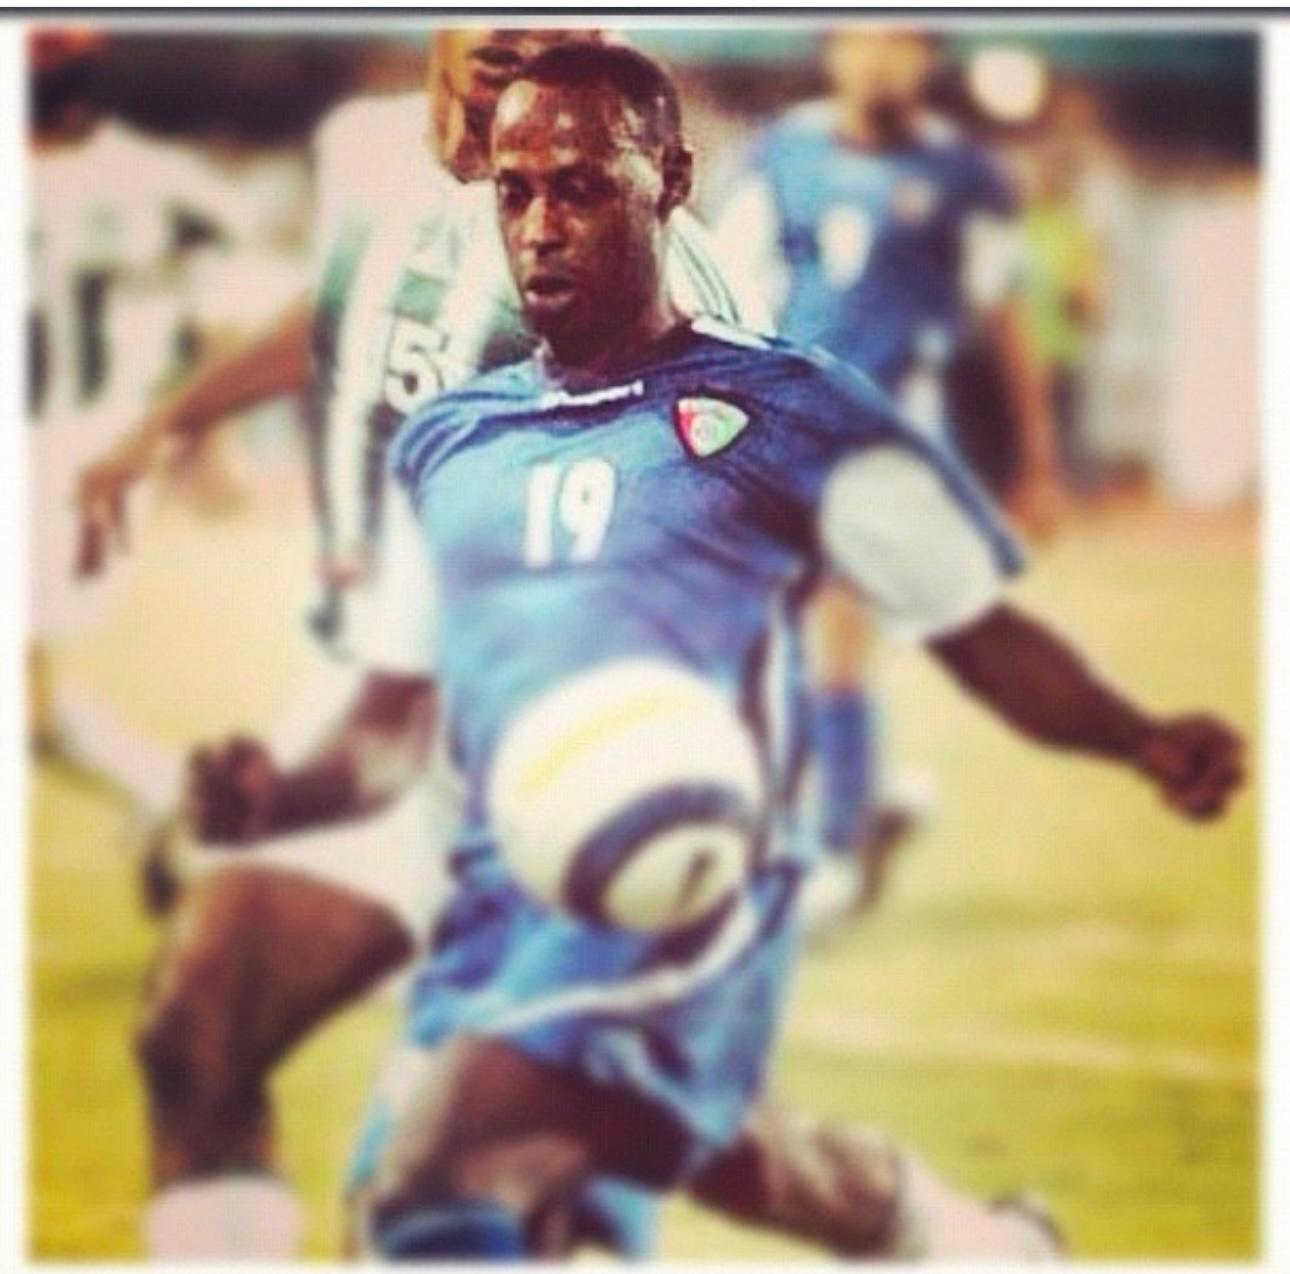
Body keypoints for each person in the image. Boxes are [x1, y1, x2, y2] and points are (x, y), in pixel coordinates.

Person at [350, 42, 1242, 1260]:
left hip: (678, 877)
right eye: (517, 193)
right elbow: (395, 695)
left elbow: (977, 624)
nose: (543, 228)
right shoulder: (463, 432)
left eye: (581, 188)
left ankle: (841, 840)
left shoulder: (799, 396)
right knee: (688, 1149)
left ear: (667, 182)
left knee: (435, 1180)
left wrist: (1139, 733)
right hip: (509, 889)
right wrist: (280, 794)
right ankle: (972, 1243)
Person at [714, 28, 1067, 923]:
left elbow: (1005, 317)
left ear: (927, 58)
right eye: (863, 37)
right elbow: (722, 286)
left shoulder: (963, 174)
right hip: (778, 419)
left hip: (887, 433)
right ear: (833, 50)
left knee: (835, 618)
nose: (879, 58)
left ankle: (834, 850)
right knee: (768, 628)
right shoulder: (779, 153)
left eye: (901, 40)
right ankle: (865, 799)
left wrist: (1036, 460)